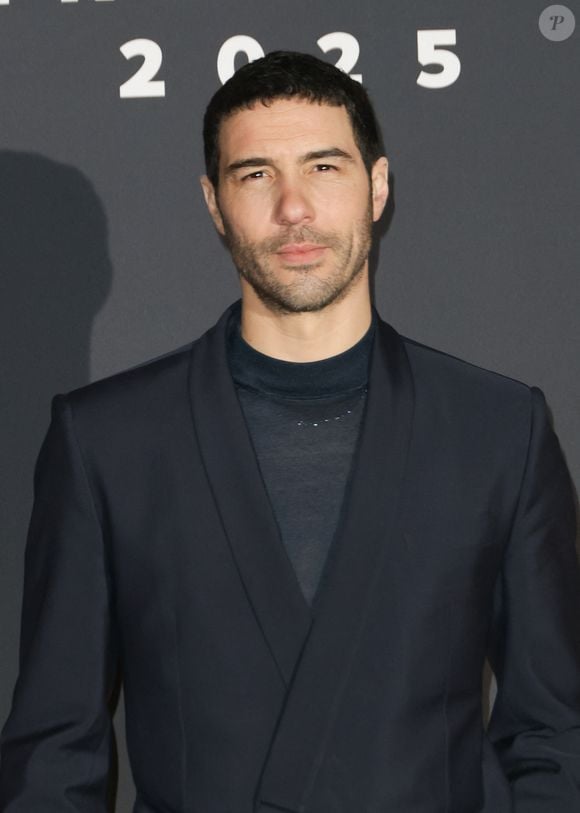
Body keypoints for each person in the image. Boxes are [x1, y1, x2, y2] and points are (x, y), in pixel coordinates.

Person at [1, 50, 579, 813]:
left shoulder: (498, 428)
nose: (294, 207)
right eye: (256, 175)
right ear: (214, 203)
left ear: (377, 186)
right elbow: (53, 756)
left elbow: (556, 732)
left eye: (325, 168)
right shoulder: (105, 441)